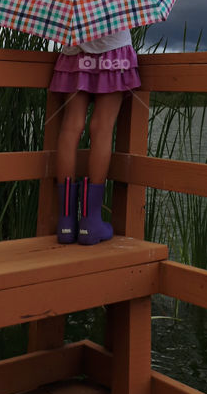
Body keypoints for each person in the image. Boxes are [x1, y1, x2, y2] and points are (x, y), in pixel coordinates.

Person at [50, 26, 142, 245]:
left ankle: (66, 223)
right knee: (102, 129)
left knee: (70, 127)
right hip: (114, 50)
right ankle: (90, 222)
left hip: (74, 51)